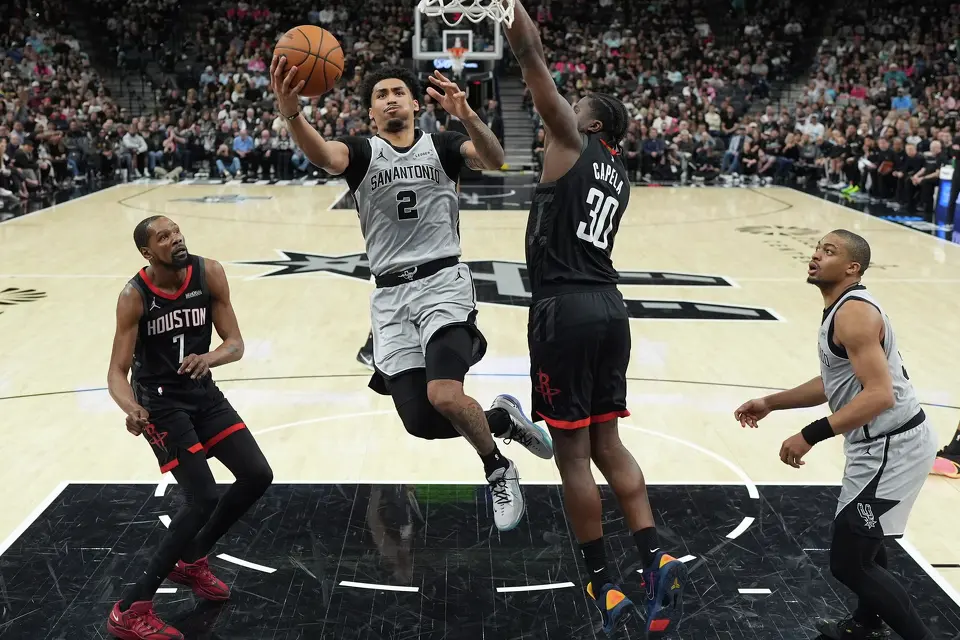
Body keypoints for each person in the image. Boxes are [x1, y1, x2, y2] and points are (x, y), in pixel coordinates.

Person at [270, 58, 553, 531]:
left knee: (444, 394)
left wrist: (468, 115)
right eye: (380, 95)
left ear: (416, 103)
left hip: (442, 284)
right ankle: (502, 421)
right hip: (389, 298)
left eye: (398, 91)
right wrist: (291, 112)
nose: (390, 99)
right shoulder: (360, 153)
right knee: (419, 421)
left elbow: (493, 157)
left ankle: (497, 468)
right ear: (371, 114)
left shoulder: (442, 145)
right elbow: (323, 154)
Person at [500, 2, 687, 636]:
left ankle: (602, 584)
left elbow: (533, 67)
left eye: (578, 105)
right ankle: (654, 555)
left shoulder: (571, 140)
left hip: (565, 308)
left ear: (594, 121)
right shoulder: (621, 172)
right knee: (610, 443)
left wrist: (515, 25)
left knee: (573, 457)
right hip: (611, 306)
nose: (567, 108)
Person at [735, 230, 937, 640]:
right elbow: (835, 383)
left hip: (892, 446)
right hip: (877, 444)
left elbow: (879, 395)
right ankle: (867, 623)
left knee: (850, 562)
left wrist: (809, 434)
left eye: (829, 252)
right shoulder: (842, 310)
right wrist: (772, 402)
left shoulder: (853, 313)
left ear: (852, 268)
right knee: (867, 543)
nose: (815, 256)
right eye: (816, 249)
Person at [106, 216, 274, 640]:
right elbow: (116, 372)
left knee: (257, 474)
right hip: (160, 404)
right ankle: (132, 606)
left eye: (177, 232)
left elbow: (234, 343)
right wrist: (131, 409)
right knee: (202, 497)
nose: (176, 239)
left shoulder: (209, 272)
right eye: (164, 237)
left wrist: (210, 358)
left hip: (203, 393)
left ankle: (193, 558)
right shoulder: (134, 295)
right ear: (148, 252)